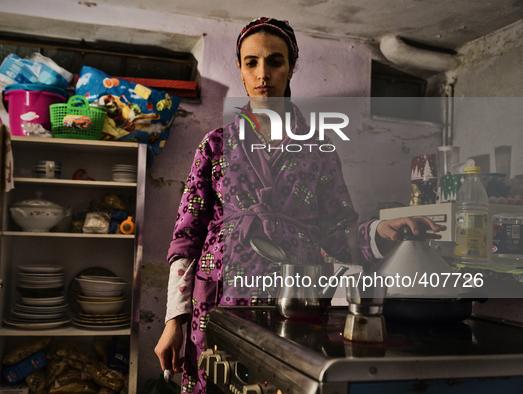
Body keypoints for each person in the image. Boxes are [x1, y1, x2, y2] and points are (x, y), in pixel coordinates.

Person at [155, 17, 445, 394]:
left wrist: (378, 230)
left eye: (275, 61)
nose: (263, 74)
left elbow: (339, 232)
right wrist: (173, 320)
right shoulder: (215, 145)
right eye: (251, 62)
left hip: (294, 309)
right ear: (240, 71)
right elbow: (186, 238)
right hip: (216, 307)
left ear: (292, 66)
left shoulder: (319, 150)